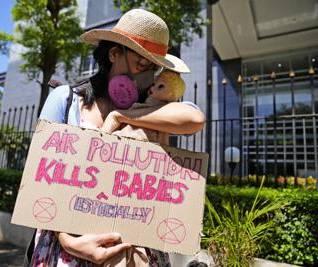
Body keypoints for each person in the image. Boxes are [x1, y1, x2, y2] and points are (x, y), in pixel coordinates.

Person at [28, 8, 205, 267]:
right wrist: (68, 241)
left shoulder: (150, 105)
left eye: (152, 68)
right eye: (140, 64)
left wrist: (122, 116)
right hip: (68, 247)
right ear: (114, 54)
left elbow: (194, 119)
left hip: (136, 250)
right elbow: (39, 177)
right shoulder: (65, 100)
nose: (146, 75)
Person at [107, 69, 186, 146]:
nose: (152, 88)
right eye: (153, 84)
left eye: (160, 86)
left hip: (139, 142)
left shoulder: (164, 112)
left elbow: (163, 138)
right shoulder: (146, 105)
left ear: (171, 97)